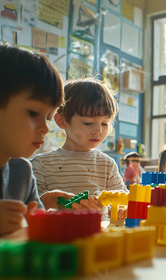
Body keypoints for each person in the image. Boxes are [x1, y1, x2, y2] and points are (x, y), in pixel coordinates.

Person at [0, 42, 67, 235]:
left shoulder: (22, 171)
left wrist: (49, 213)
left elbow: (37, 228)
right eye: (33, 113)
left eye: (48, 117)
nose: (45, 128)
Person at [32, 77, 126, 212]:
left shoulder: (107, 164)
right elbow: (33, 206)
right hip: (58, 231)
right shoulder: (42, 163)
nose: (98, 130)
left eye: (105, 123)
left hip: (100, 231)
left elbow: (121, 200)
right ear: (61, 121)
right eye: (88, 123)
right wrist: (52, 201)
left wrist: (121, 210)